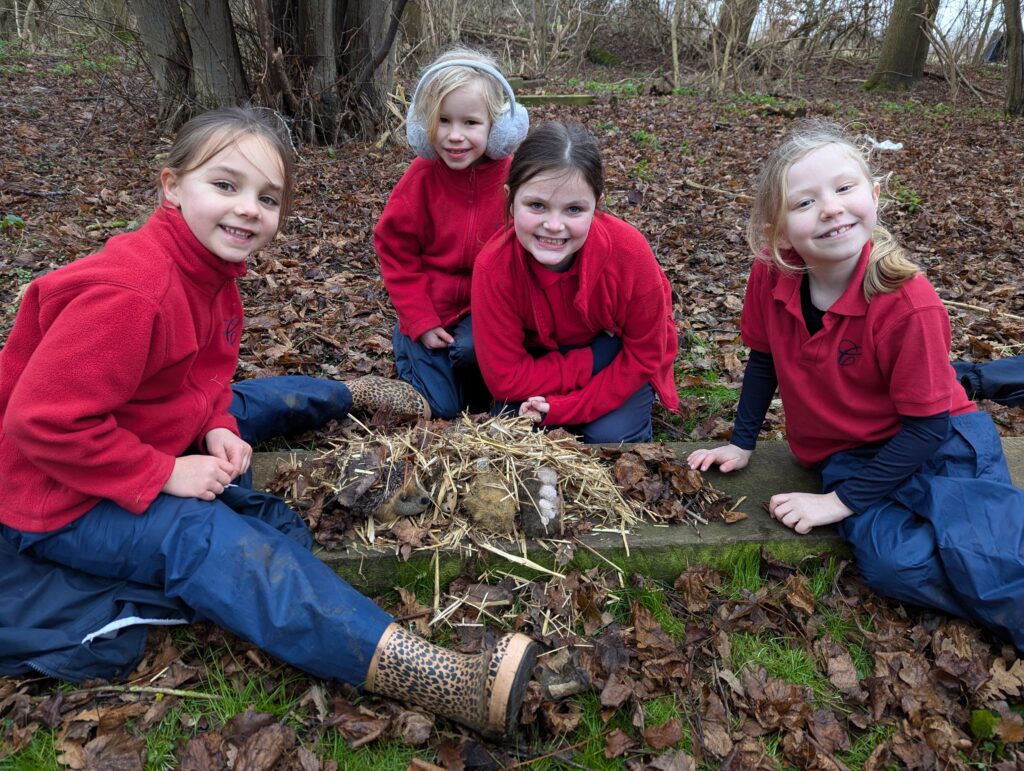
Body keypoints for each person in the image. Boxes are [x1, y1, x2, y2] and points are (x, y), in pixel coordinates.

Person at [0, 106, 538, 738]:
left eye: (267, 197)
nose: (248, 208)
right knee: (202, 537)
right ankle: (439, 678)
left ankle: (352, 392)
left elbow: (201, 379)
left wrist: (219, 421)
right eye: (225, 186)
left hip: (143, 431)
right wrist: (164, 471)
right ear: (171, 186)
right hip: (59, 497)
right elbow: (40, 424)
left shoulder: (208, 273)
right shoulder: (132, 292)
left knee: (250, 404)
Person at [687, 120, 1024, 650]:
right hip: (850, 452)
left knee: (989, 552)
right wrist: (741, 440)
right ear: (777, 231)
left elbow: (926, 430)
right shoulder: (770, 274)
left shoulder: (909, 302)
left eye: (844, 188)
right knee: (895, 566)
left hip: (938, 440)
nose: (830, 208)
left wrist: (837, 503)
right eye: (804, 202)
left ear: (875, 193)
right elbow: (764, 358)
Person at [471, 121, 679, 443]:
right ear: (511, 199)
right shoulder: (493, 268)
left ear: (596, 205)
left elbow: (644, 354)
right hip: (571, 353)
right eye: (536, 205)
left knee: (611, 439)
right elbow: (505, 378)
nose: (553, 225)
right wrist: (593, 358)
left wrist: (564, 408)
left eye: (574, 209)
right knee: (512, 434)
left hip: (620, 356)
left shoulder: (630, 256)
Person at [374, 47, 529, 419]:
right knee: (442, 408)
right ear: (424, 125)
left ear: (499, 128)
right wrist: (420, 320)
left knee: (474, 356)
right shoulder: (422, 177)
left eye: (471, 123)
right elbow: (396, 251)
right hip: (432, 306)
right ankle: (411, 347)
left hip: (488, 309)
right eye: (443, 121)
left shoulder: (514, 176)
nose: (455, 136)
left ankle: (471, 376)